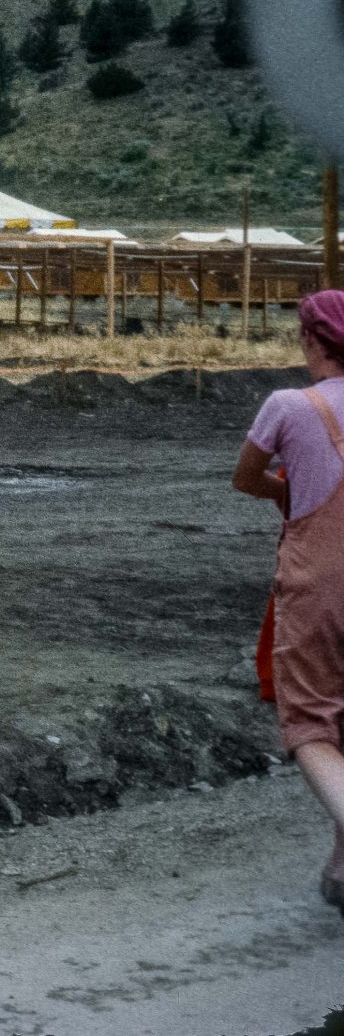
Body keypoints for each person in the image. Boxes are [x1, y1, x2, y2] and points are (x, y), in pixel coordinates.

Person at [231, 289, 344, 914]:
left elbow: (245, 478)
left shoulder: (288, 407)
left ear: (310, 341)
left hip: (321, 581)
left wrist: (285, 492)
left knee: (309, 726)